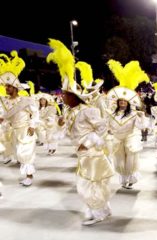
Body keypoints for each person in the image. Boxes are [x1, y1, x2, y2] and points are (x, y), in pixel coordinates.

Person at [47, 38, 114, 226]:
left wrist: (89, 142)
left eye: (65, 94)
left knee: (88, 183)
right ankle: (102, 209)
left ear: (74, 96)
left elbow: (102, 127)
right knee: (92, 182)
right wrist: (61, 124)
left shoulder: (88, 110)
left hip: (91, 152)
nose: (62, 97)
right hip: (82, 153)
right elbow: (65, 131)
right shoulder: (70, 112)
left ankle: (97, 212)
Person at [106, 59, 149, 189]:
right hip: (117, 139)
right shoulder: (112, 114)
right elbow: (108, 126)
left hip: (131, 138)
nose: (123, 103)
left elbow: (142, 127)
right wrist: (108, 132)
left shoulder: (134, 113)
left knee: (130, 160)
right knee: (119, 161)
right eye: (121, 101)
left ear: (128, 103)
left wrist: (142, 117)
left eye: (125, 101)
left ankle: (131, 179)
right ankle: (123, 180)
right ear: (118, 102)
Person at [0, 51, 39, 186]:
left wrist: (33, 125)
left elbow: (35, 113)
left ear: (15, 87)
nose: (6, 88)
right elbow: (5, 116)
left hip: (26, 130)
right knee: (19, 154)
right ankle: (27, 175)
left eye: (9, 86)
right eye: (5, 86)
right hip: (15, 131)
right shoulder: (5, 102)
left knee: (25, 153)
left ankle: (29, 176)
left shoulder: (26, 100)